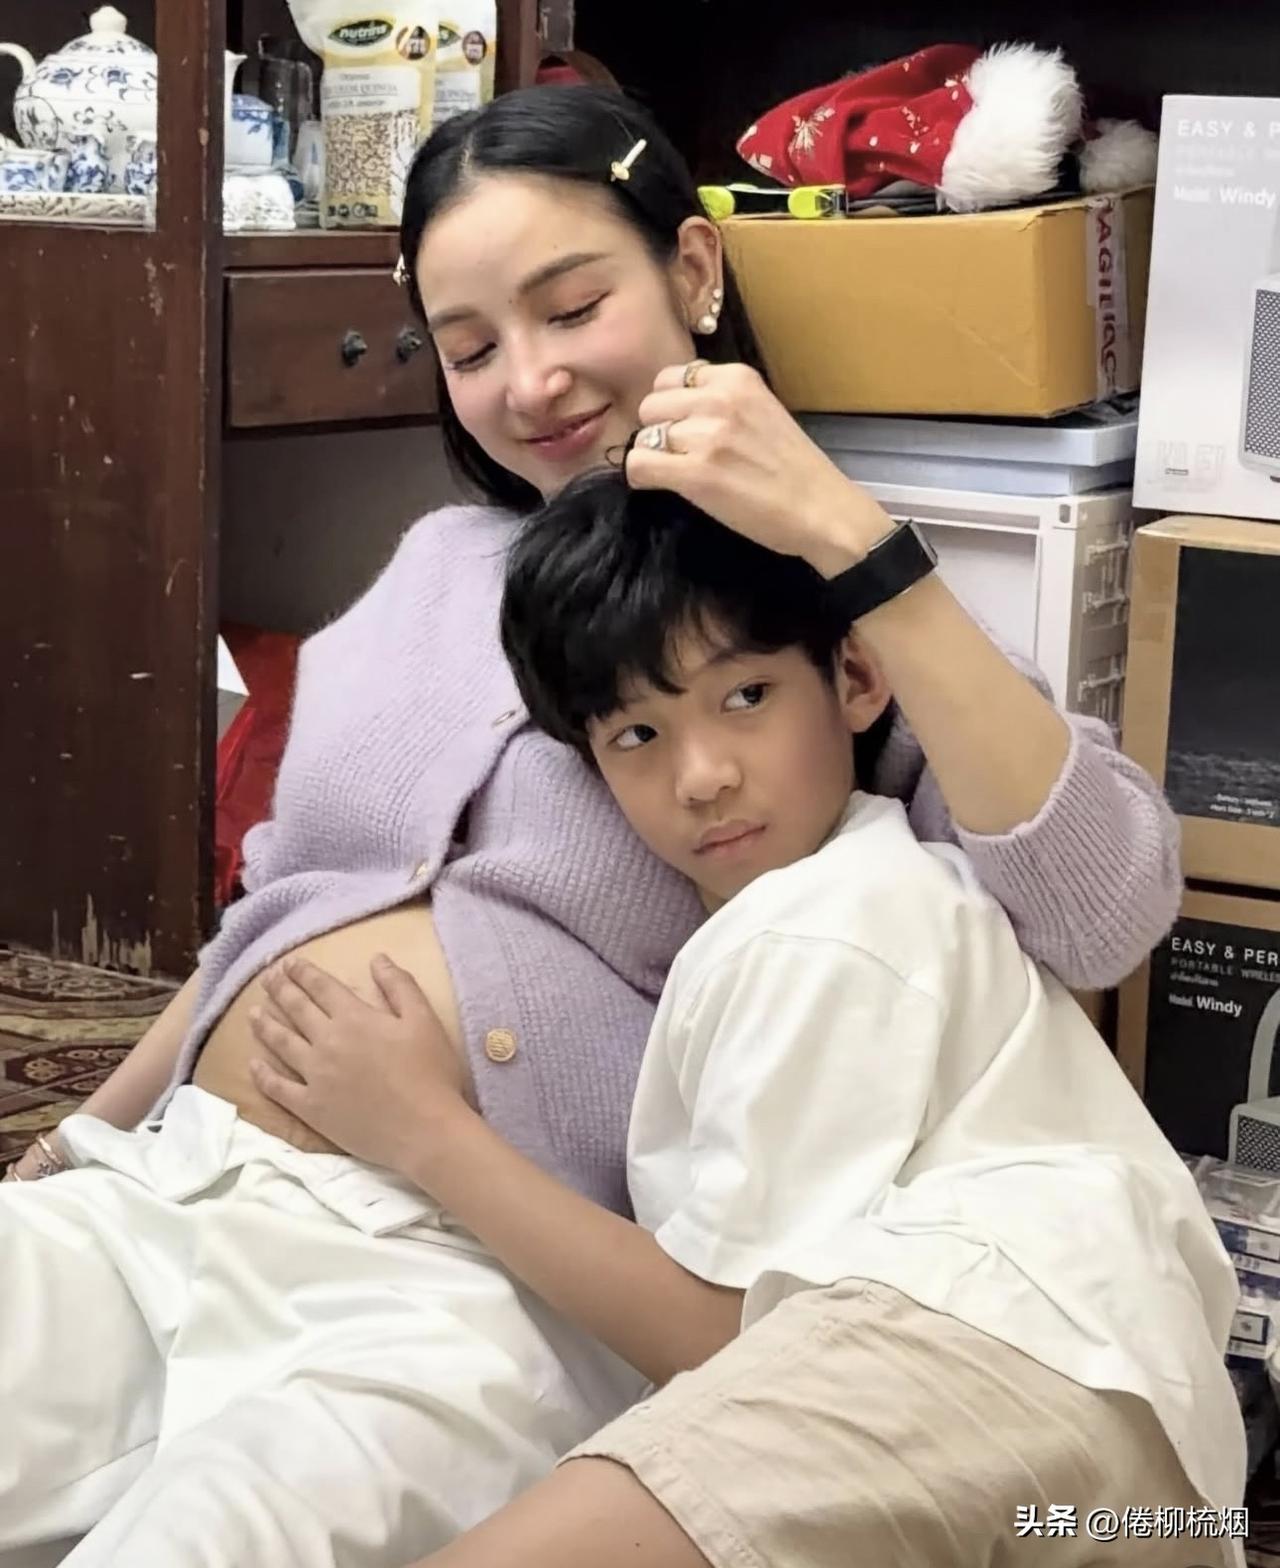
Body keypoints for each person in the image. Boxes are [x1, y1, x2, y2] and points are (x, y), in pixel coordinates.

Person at [0, 84, 1181, 1566]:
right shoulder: (434, 565)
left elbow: (1104, 909)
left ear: (692, 268)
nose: (532, 382)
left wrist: (851, 540)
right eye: (471, 348)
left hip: (464, 1283)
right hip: (181, 1188)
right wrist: (72, 1148)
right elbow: (278, 906)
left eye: (572, 309)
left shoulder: (805, 608)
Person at [264, 464, 1232, 1568]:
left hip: (995, 1350)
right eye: (637, 736)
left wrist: (423, 1130)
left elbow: (718, 1335)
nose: (702, 776)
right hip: (1126, 1468)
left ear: (855, 679)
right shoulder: (832, 906)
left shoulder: (827, 925)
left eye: (745, 697)